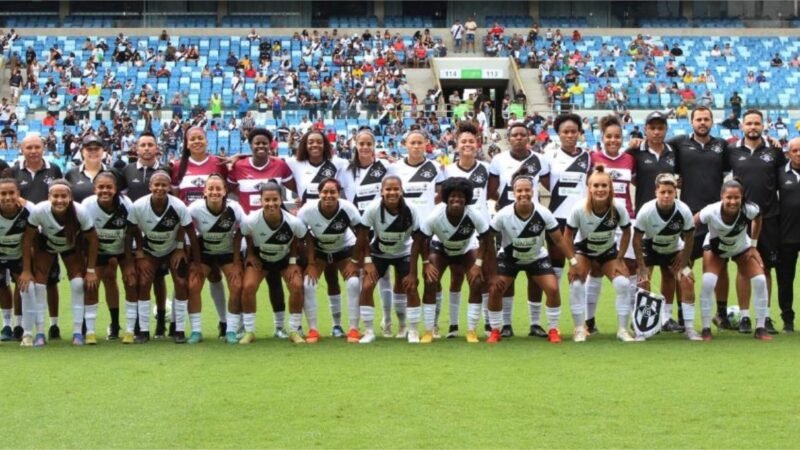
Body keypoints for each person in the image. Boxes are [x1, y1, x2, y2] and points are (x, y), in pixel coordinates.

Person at [485, 170, 574, 344]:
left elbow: (559, 240)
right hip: (510, 258)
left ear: (533, 192)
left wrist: (574, 260)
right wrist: (488, 267)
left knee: (553, 289)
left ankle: (553, 329)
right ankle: (496, 330)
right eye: (519, 191)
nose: (523, 194)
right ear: (514, 193)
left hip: (536, 257)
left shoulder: (544, 213)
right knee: (496, 289)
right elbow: (488, 241)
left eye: (527, 190)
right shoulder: (503, 214)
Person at [228, 128, 296, 338]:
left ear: (271, 145)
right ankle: (239, 326)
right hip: (249, 233)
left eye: (264, 143)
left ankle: (279, 327)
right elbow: (229, 190)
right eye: (256, 143)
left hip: (275, 231)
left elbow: (297, 188)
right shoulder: (239, 166)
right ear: (250, 145)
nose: (260, 146)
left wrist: (296, 207)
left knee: (275, 281)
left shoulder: (280, 165)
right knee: (243, 282)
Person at [487, 122, 551, 337]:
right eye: (514, 135)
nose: (519, 138)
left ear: (529, 137)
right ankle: (506, 324)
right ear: (509, 138)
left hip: (533, 221)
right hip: (507, 222)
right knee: (508, 273)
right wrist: (507, 203)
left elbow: (551, 186)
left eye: (523, 135)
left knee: (535, 275)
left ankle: (535, 323)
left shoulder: (540, 160)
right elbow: (492, 190)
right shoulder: (498, 160)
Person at [338, 129, 402, 337]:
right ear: (355, 145)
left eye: (368, 144)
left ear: (374, 146)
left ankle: (387, 319)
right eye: (361, 143)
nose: (365, 147)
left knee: (383, 276)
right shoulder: (344, 169)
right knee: (361, 275)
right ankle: (357, 324)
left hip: (380, 227)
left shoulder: (386, 167)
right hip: (356, 230)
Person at [20, 180, 99, 345]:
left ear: (70, 197)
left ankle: (77, 333)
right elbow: (27, 239)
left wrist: (90, 270)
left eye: (64, 196)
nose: (59, 200)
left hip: (71, 246)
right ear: (49, 197)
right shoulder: (39, 210)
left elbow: (93, 240)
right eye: (55, 196)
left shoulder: (80, 211)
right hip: (46, 246)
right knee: (40, 286)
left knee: (78, 284)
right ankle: (40, 333)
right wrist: (27, 270)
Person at [286, 130, 349, 337]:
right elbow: (270, 164)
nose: (315, 145)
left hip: (332, 229)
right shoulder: (296, 164)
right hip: (309, 232)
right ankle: (306, 325)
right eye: (311, 142)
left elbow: (356, 170)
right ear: (305, 144)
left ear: (325, 145)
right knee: (307, 280)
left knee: (332, 279)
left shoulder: (337, 164)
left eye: (319, 142)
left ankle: (336, 324)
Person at [129, 171, 202, 344]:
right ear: (150, 187)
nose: (160, 188)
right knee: (144, 282)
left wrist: (186, 254)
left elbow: (190, 233)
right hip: (150, 250)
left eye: (164, 185)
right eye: (156, 185)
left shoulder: (178, 206)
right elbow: (131, 232)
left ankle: (179, 330)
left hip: (172, 249)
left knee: (182, 283)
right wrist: (139, 252)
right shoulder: (138, 205)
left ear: (169, 187)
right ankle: (144, 331)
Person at [562, 166, 632, 342]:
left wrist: (620, 259)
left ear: (610, 188)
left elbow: (627, 232)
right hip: (584, 252)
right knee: (577, 284)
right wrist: (572, 262)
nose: (600, 190)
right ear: (589, 188)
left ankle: (623, 330)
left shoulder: (618, 208)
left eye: (604, 186)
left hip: (608, 252)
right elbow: (567, 237)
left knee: (623, 284)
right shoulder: (578, 208)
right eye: (596, 186)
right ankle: (579, 329)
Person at [171, 126, 230, 338]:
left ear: (206, 140)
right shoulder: (178, 166)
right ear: (186, 144)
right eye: (192, 139)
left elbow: (226, 191)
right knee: (183, 277)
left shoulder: (218, 163)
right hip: (189, 231)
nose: (196, 141)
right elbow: (176, 199)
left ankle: (224, 322)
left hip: (214, 230)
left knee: (215, 275)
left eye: (200, 138)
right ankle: (176, 323)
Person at [695, 179, 771, 341]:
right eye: (729, 197)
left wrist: (753, 245)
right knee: (708, 282)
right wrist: (684, 249)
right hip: (716, 249)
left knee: (760, 280)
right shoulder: (710, 211)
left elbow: (758, 219)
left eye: (737, 197)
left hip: (741, 248)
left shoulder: (750, 209)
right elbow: (691, 224)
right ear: (722, 196)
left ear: (742, 198)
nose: (732, 201)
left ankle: (760, 328)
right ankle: (706, 328)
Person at [419, 177, 492, 343]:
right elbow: (422, 241)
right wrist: (426, 264)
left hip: (466, 249)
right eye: (452, 195)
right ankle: (430, 330)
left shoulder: (474, 214)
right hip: (441, 248)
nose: (456, 199)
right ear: (446, 197)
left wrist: (478, 264)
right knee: (430, 281)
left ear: (467, 198)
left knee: (477, 281)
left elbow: (486, 240)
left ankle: (471, 331)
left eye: (461, 196)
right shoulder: (435, 215)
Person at [632, 173, 701, 341]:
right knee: (643, 281)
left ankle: (685, 326)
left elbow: (690, 237)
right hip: (650, 248)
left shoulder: (683, 210)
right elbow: (636, 239)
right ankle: (642, 325)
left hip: (673, 249)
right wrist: (641, 267)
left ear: (675, 192)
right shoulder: (646, 210)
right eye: (663, 192)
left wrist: (683, 260)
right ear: (656, 191)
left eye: (670, 192)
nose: (666, 195)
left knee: (687, 279)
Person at [357, 176, 424, 343]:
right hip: (379, 254)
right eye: (388, 189)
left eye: (396, 189)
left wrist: (414, 270)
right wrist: (367, 262)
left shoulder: (412, 209)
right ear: (381, 191)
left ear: (402, 191)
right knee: (366, 286)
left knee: (411, 286)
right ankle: (369, 331)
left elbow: (418, 240)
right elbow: (362, 237)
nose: (392, 192)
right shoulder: (372, 209)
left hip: (404, 253)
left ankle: (411, 329)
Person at [11, 134, 64, 341]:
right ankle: (18, 324)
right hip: (23, 231)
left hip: (48, 233)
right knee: (21, 280)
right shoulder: (15, 170)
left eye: (37, 147)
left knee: (51, 281)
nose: (33, 151)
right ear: (22, 149)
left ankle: (54, 324)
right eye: (29, 147)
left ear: (44, 148)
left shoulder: (54, 169)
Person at [240, 183, 307, 344]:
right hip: (260, 260)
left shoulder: (293, 221)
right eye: (267, 200)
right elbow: (242, 235)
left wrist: (292, 262)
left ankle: (293, 330)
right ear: (260, 200)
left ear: (281, 199)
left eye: (275, 199)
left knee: (297, 286)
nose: (271, 203)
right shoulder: (251, 219)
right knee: (248, 286)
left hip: (284, 260)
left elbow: (299, 239)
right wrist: (250, 254)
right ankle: (249, 331)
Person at [298, 178, 362, 343]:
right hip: (319, 251)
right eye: (325, 192)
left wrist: (355, 261)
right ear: (319, 193)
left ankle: (354, 329)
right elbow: (302, 237)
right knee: (308, 284)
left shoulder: (348, 208)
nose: (328, 195)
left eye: (332, 192)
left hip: (344, 248)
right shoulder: (307, 210)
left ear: (338, 193)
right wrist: (311, 263)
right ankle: (313, 330)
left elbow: (362, 234)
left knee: (354, 283)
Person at [187, 174, 245, 344]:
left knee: (236, 285)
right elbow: (187, 231)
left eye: (218, 188)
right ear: (204, 191)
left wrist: (236, 262)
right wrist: (196, 263)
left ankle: (232, 330)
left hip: (227, 251)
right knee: (193, 285)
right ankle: (196, 331)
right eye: (210, 188)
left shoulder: (234, 208)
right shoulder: (195, 208)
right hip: (204, 251)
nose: (214, 192)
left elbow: (243, 231)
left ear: (225, 191)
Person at [81, 171, 138, 343]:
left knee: (131, 282)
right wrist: (89, 267)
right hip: (97, 251)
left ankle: (128, 328)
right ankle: (88, 329)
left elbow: (131, 234)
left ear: (116, 189)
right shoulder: (87, 205)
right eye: (101, 187)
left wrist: (128, 264)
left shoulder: (127, 205)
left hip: (122, 249)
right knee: (91, 285)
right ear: (94, 189)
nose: (104, 190)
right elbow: (85, 236)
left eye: (109, 187)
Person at [0, 179, 39, 345]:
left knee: (24, 285)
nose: (7, 197)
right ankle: (7, 326)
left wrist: (28, 269)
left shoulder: (29, 210)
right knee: (1, 286)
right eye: (3, 193)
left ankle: (21, 327)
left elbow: (33, 239)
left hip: (19, 254)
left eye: (11, 193)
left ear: (18, 194)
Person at [776, 138, 800, 333]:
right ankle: (788, 319)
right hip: (786, 235)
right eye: (795, 150)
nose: (799, 153)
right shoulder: (779, 174)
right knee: (785, 280)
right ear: (788, 153)